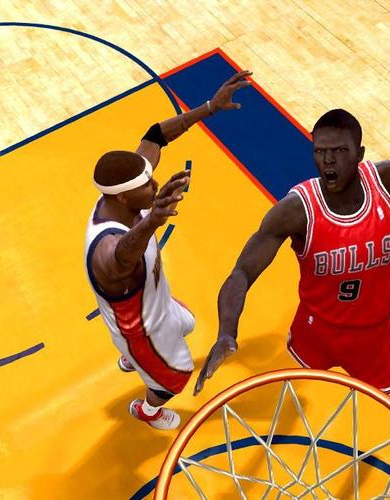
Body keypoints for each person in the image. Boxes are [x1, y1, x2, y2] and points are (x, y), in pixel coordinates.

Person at [194, 90, 390, 396]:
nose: (328, 160)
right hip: (315, 327)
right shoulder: (296, 211)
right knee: (300, 384)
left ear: (359, 153)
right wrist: (226, 332)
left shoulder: (389, 179)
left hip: (372, 334)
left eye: (339, 150)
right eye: (320, 151)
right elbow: (242, 272)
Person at [85, 70, 252, 429]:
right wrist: (153, 221)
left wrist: (210, 107)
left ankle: (134, 361)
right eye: (147, 184)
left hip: (156, 302)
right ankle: (147, 410)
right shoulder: (104, 246)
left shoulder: (124, 196)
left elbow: (155, 136)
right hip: (140, 328)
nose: (155, 183)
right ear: (123, 197)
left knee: (188, 322)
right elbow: (120, 258)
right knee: (176, 376)